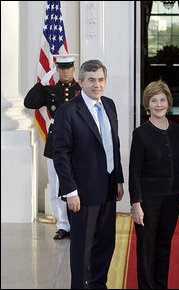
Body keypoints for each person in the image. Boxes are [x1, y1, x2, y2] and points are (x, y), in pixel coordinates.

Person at [53, 59, 124, 288]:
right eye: (91, 80)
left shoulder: (110, 105)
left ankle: (97, 285)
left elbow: (114, 145)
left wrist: (119, 179)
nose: (97, 85)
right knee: (82, 249)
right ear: (81, 81)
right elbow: (61, 154)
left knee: (106, 244)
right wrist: (70, 191)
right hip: (81, 194)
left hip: (109, 189)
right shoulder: (68, 111)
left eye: (101, 80)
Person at [129, 80, 179, 289]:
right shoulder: (141, 133)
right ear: (147, 104)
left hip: (172, 198)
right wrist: (136, 204)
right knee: (146, 248)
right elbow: (134, 171)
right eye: (154, 100)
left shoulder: (178, 131)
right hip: (148, 201)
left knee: (164, 246)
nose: (159, 104)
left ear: (168, 102)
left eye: (162, 99)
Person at [24, 54, 80, 240]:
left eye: (68, 67)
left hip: (77, 140)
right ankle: (63, 224)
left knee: (77, 183)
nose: (65, 71)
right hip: (55, 140)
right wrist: (42, 84)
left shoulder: (81, 89)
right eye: (61, 68)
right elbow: (29, 102)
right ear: (56, 69)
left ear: (73, 68)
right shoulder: (50, 90)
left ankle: (77, 222)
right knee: (56, 184)